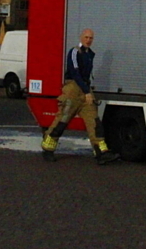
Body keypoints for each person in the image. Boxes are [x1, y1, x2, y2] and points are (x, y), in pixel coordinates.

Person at [41, 28, 120, 165]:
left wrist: (87, 91)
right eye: (86, 37)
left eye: (91, 38)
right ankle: (48, 149)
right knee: (62, 121)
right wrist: (86, 91)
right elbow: (75, 72)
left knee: (95, 122)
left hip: (85, 90)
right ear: (81, 37)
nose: (88, 40)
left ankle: (101, 153)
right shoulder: (74, 52)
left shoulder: (90, 54)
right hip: (73, 90)